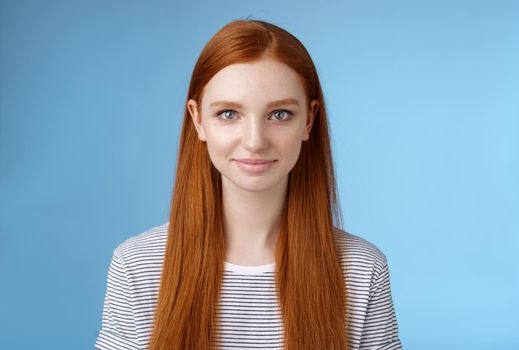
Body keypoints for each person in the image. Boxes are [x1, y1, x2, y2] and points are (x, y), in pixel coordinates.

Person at [94, 18, 403, 350]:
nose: (255, 141)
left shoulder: (362, 269)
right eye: (229, 114)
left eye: (279, 114)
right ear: (198, 120)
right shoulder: (137, 266)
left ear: (309, 120)